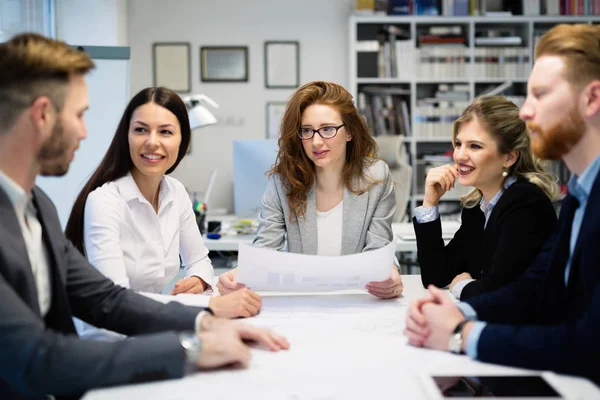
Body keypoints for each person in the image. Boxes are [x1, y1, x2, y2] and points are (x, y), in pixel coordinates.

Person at [0, 33, 288, 400]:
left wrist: (204, 322)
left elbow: (107, 299)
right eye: (79, 115)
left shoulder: (38, 205)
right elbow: (37, 360)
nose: (85, 132)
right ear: (42, 114)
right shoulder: (94, 201)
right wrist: (190, 348)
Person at [405, 24, 600, 382]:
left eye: (539, 94)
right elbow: (533, 290)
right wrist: (455, 311)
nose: (526, 112)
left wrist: (460, 331)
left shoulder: (530, 200)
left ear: (592, 99)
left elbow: (589, 343)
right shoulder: (578, 198)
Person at [65, 87, 261, 319]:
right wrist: (209, 308)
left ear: (182, 141)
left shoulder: (175, 193)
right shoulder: (104, 202)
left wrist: (198, 280)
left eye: (165, 132)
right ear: (125, 136)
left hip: (152, 328)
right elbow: (115, 300)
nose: (152, 142)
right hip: (110, 336)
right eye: (140, 130)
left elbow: (198, 260)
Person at [218, 81, 403, 299]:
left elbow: (378, 252)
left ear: (350, 132)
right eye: (306, 130)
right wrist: (243, 274)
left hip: (357, 299)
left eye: (327, 129)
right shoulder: (283, 182)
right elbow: (265, 251)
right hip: (303, 301)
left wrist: (389, 273)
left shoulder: (376, 177)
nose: (316, 141)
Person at [413, 95, 558, 300]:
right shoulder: (478, 206)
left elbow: (499, 293)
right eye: (458, 144)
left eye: (475, 146)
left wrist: (461, 286)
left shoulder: (525, 203)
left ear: (509, 157)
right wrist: (430, 203)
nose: (460, 156)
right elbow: (435, 276)